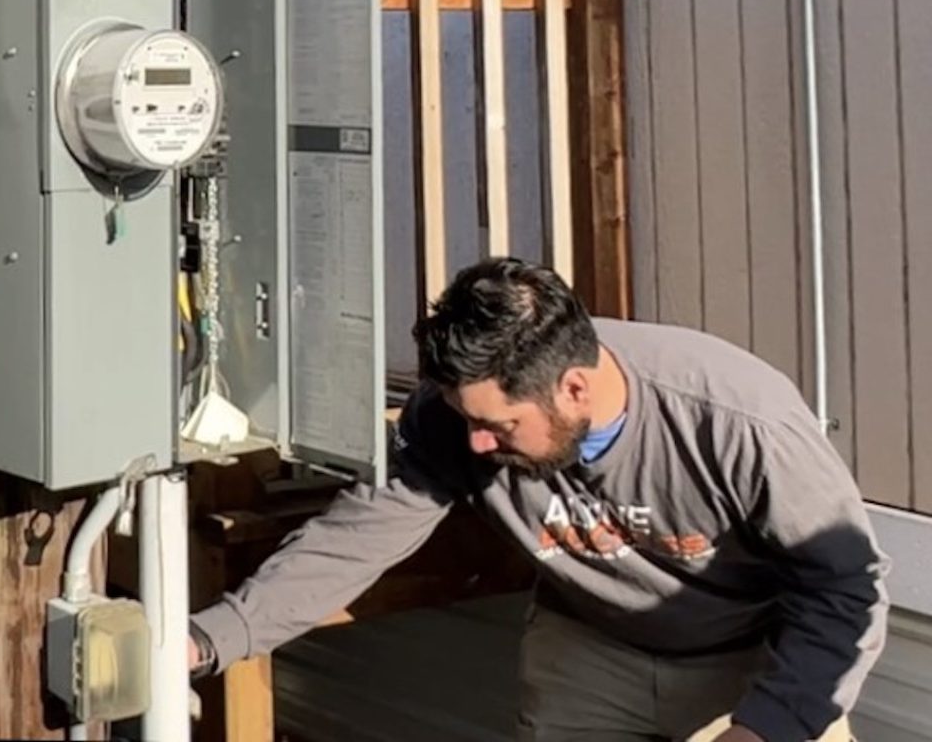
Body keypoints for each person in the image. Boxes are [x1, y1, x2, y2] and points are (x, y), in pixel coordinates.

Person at [188, 257, 888, 741]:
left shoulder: (739, 419)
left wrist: (767, 726)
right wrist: (209, 639)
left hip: (749, 656)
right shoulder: (455, 422)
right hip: (589, 649)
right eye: (469, 422)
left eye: (499, 426)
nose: (480, 446)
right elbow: (358, 535)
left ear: (575, 388)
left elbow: (844, 589)